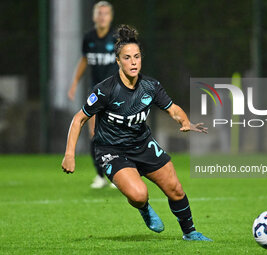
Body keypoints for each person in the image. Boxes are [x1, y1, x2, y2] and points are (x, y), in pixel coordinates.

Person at [61, 24, 212, 241]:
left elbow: (173, 109)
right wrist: (69, 154)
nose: (133, 62)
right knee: (139, 194)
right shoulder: (105, 90)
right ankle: (143, 208)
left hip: (142, 144)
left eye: (137, 57)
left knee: (175, 189)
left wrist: (185, 121)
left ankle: (190, 233)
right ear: (118, 61)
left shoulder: (150, 86)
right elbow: (79, 118)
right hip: (111, 149)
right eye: (127, 57)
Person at [68, 1, 118, 189]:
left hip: (115, 91)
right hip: (96, 92)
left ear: (110, 17)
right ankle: (100, 175)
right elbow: (84, 60)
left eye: (105, 13)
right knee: (93, 133)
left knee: (116, 132)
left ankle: (116, 173)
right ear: (94, 16)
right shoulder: (88, 37)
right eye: (99, 13)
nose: (102, 16)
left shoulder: (117, 38)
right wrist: (74, 83)